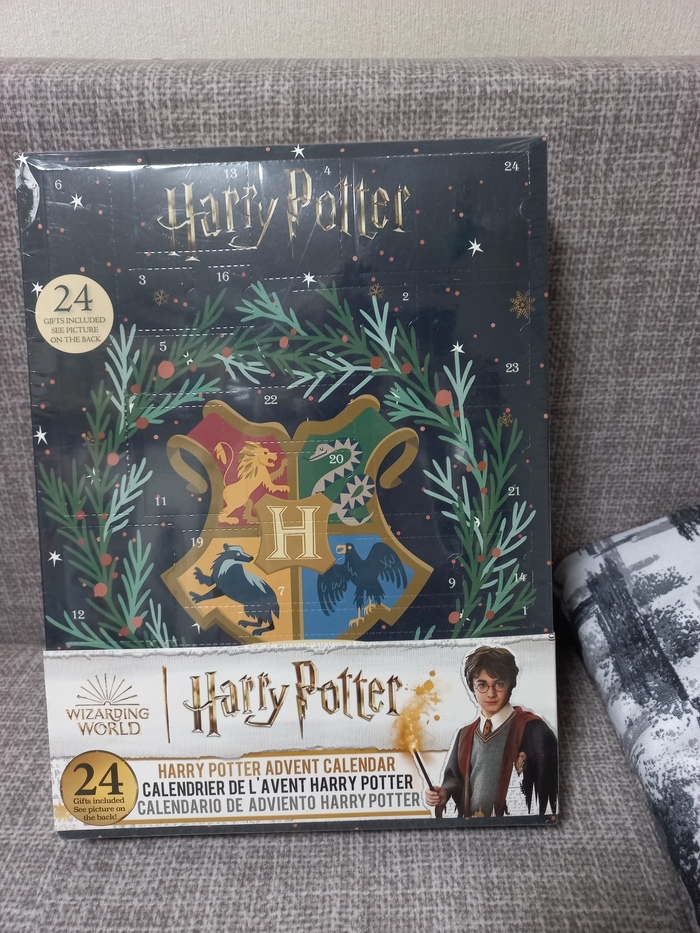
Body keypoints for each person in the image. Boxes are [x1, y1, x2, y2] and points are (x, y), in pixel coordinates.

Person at [425, 645, 557, 818]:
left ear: (511, 684)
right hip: (473, 824)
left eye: (499, 684)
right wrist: (443, 794)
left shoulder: (534, 730)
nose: (491, 693)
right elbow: (455, 781)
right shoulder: (464, 735)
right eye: (482, 685)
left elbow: (549, 788)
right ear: (472, 688)